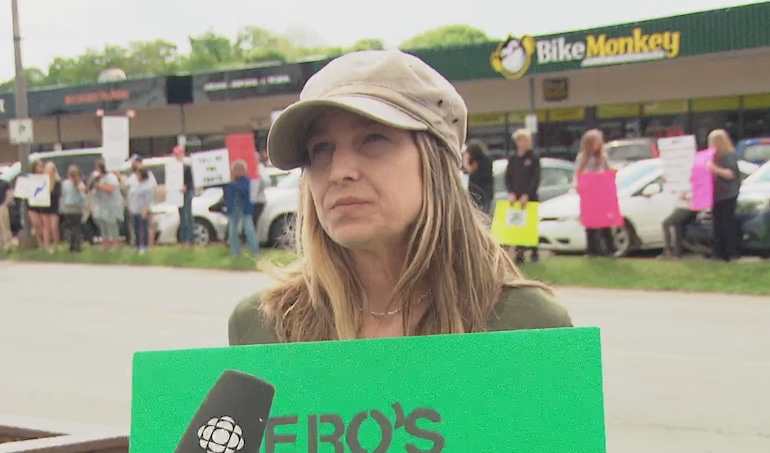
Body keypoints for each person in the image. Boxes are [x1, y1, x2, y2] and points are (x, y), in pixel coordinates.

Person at [227, 49, 571, 345]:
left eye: (373, 138)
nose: (339, 170)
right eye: (322, 149)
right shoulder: (264, 327)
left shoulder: (529, 326)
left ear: (434, 163)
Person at [573, 129, 614, 258]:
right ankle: (591, 250)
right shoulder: (582, 157)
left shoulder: (603, 157)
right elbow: (577, 173)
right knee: (590, 222)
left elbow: (609, 171)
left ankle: (609, 249)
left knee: (605, 222)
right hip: (589, 192)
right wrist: (578, 185)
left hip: (601, 192)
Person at [504, 129, 541, 264]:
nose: (526, 143)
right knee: (518, 227)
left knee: (531, 226)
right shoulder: (513, 158)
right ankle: (520, 255)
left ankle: (534, 254)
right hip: (516, 198)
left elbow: (535, 178)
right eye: (523, 140)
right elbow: (508, 178)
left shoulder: (533, 158)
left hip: (529, 197)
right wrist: (511, 192)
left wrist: (527, 194)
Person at [706, 129, 741, 262]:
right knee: (718, 224)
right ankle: (719, 252)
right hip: (718, 195)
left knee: (727, 224)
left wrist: (714, 168)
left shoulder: (728, 155)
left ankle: (730, 252)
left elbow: (730, 174)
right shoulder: (715, 157)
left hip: (728, 194)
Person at [224, 160, 260, 258]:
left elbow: (243, 190)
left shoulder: (246, 180)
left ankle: (255, 251)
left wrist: (232, 184)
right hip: (233, 209)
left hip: (245, 209)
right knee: (232, 232)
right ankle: (235, 253)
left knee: (249, 230)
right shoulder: (228, 182)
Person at [59, 164, 88, 252]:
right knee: (77, 227)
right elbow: (84, 194)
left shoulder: (65, 183)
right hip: (77, 208)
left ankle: (71, 246)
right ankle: (77, 245)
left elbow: (63, 195)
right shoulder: (80, 184)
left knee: (71, 227)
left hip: (68, 207)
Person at [172, 145, 196, 245]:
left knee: (187, 216)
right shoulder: (173, 167)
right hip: (178, 194)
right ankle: (183, 239)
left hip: (187, 193)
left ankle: (188, 239)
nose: (176, 156)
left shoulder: (187, 166)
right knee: (182, 216)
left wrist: (186, 186)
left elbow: (192, 181)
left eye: (177, 154)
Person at [463, 138, 494, 214]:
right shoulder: (473, 160)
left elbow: (473, 172)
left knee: (483, 213)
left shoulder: (485, 161)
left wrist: (466, 162)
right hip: (474, 192)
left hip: (483, 192)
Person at [128, 168, 155, 254]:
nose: (137, 176)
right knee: (136, 228)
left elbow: (149, 199)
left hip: (143, 210)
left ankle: (144, 246)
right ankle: (137, 245)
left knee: (143, 228)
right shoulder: (136, 185)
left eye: (138, 174)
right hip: (135, 209)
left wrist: (145, 209)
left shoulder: (147, 186)